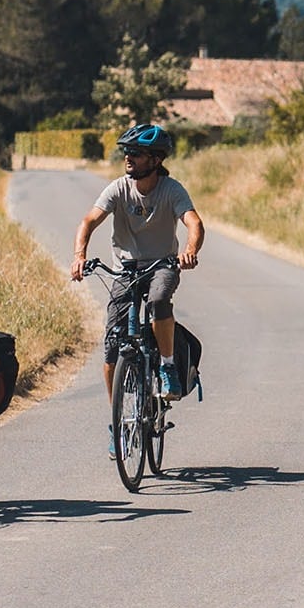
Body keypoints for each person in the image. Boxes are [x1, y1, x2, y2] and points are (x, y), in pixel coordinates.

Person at [67, 123, 204, 422]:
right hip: (126, 270)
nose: (128, 157)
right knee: (112, 347)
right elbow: (89, 220)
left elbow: (194, 223)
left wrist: (190, 250)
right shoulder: (118, 188)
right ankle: (116, 421)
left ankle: (167, 366)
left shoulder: (172, 190)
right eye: (126, 152)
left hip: (162, 264)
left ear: (155, 160)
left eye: (137, 153)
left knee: (158, 302)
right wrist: (80, 255)